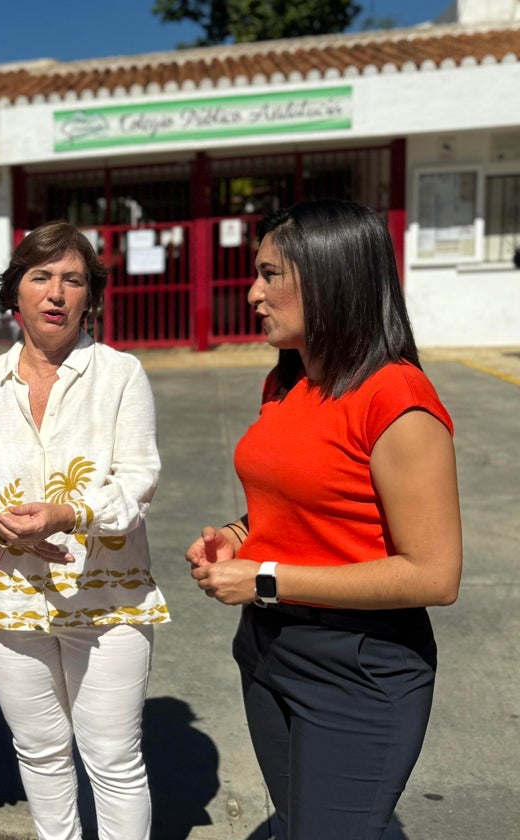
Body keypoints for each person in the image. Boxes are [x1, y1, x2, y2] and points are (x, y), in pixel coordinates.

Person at [185, 199, 462, 839]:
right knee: (296, 825)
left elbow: (435, 575)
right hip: (268, 650)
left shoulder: (397, 399)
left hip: (358, 668)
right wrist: (234, 538)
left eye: (270, 274)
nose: (253, 293)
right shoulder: (286, 383)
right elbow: (291, 513)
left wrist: (266, 579)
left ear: (333, 276)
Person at [0, 220, 168, 840]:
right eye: (41, 278)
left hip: (107, 600)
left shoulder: (120, 375)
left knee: (112, 759)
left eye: (73, 280)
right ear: (16, 294)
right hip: (11, 600)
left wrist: (66, 514)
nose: (56, 293)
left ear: (91, 297)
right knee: (39, 752)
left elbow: (137, 482)